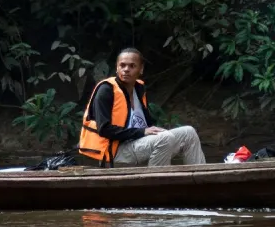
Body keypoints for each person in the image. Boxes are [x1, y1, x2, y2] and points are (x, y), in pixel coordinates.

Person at [78, 48, 206, 167]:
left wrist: (150, 131)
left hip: (138, 144)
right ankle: (156, 185)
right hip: (115, 151)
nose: (126, 69)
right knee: (165, 138)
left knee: (189, 132)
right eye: (122, 65)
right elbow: (104, 130)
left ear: (141, 69)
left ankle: (202, 181)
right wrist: (142, 132)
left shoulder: (139, 89)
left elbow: (146, 124)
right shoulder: (106, 90)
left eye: (132, 66)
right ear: (117, 68)